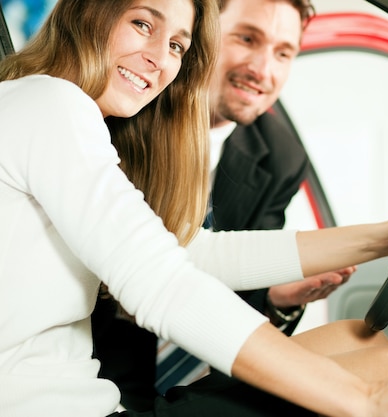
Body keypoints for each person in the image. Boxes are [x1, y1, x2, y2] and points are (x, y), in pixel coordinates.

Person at [0, 0, 388, 416]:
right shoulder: (51, 104)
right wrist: (364, 398)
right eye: (143, 24)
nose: (158, 59)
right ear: (89, 13)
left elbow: (189, 252)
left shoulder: (57, 111)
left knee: (360, 340)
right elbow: (163, 281)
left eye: (176, 46)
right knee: (378, 370)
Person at [92, 0, 355, 408]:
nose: (263, 71)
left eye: (283, 53)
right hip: (90, 373)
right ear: (199, 33)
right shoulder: (122, 106)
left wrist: (277, 300)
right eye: (247, 39)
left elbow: (235, 291)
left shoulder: (281, 157)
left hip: (189, 386)